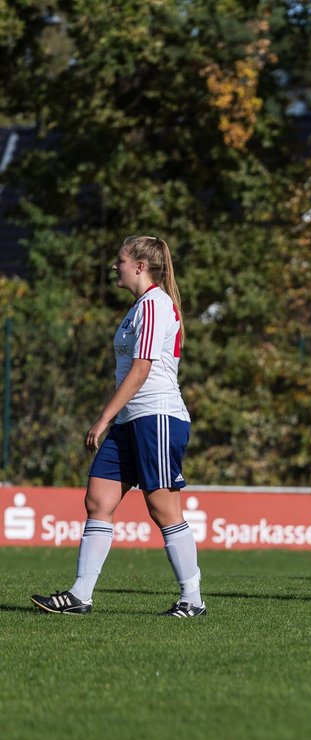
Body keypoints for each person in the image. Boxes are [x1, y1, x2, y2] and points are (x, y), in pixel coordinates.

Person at [32, 235, 205, 617]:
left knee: (163, 508)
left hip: (157, 417)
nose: (115, 266)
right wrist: (115, 418)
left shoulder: (157, 304)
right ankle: (80, 595)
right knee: (98, 501)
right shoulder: (138, 308)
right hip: (131, 420)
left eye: (120, 260)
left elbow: (142, 370)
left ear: (140, 266)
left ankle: (192, 599)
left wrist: (103, 417)